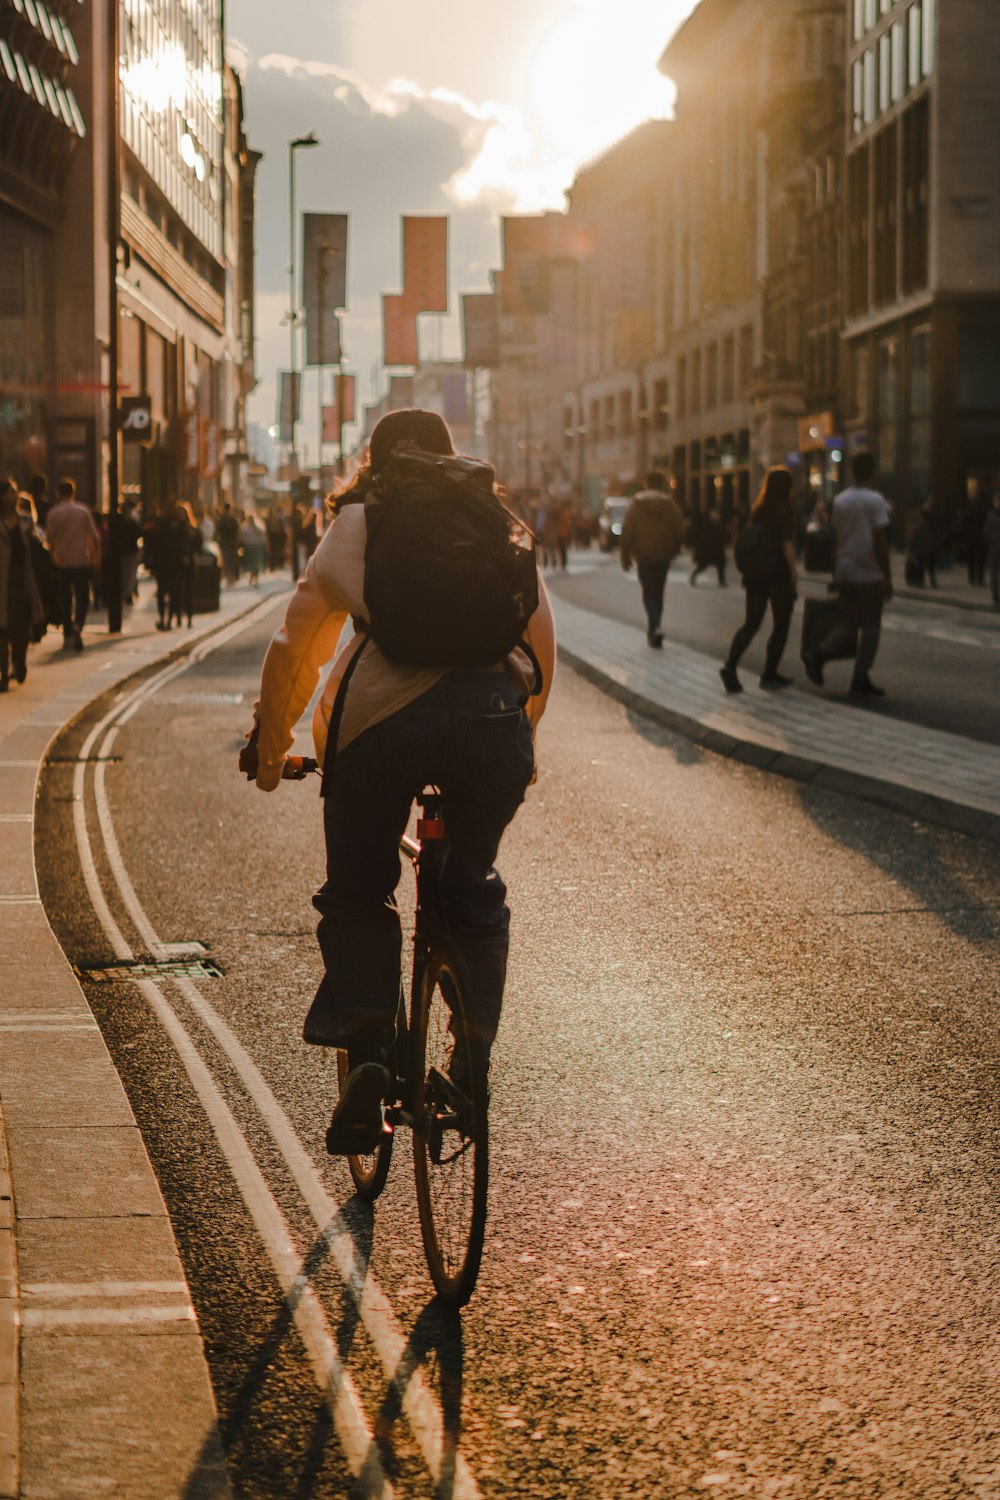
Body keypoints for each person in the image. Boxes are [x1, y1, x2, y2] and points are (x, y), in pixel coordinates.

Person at [244, 409, 555, 1151]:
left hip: (382, 726)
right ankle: (473, 1061)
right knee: (471, 884)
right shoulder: (491, 517)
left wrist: (269, 752)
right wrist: (522, 737)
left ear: (373, 463)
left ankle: (370, 1046)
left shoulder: (357, 521)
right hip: (491, 721)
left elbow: (300, 644)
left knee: (357, 890)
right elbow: (538, 641)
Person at [804, 451, 892, 698]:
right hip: (869, 572)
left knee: (850, 621)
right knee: (871, 626)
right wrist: (887, 576)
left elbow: (836, 540)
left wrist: (835, 573)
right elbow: (880, 540)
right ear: (873, 472)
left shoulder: (841, 501)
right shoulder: (875, 500)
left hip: (846, 569)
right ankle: (860, 676)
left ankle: (820, 652)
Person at [720, 466, 798, 693]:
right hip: (778, 573)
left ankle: (730, 665)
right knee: (780, 626)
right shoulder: (785, 511)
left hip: (756, 574)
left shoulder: (758, 509)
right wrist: (794, 572)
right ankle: (769, 672)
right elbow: (787, 544)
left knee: (751, 623)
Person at [620, 471, 685, 648]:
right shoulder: (669, 505)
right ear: (662, 485)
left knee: (648, 591)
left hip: (643, 554)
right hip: (663, 554)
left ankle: (654, 627)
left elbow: (628, 531)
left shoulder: (638, 504)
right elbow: (679, 528)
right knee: (659, 591)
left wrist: (625, 554)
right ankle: (655, 626)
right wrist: (675, 547)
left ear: (646, 484)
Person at [0, 483, 47, 690]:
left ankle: (19, 661)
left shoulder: (25, 523)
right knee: (1, 632)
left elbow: (40, 550)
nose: (15, 494)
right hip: (2, 585)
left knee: (21, 631)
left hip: (21, 583)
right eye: (10, 491)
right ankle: (3, 674)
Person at [44, 477, 100, 651]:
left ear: (58, 493)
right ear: (73, 492)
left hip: (61, 561)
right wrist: (95, 559)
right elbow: (95, 538)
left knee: (65, 599)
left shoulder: (53, 513)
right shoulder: (82, 511)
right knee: (83, 597)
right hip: (81, 561)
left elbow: (49, 539)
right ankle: (78, 626)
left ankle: (67, 631)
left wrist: (53, 558)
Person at [689, 506, 727, 586]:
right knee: (703, 565)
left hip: (715, 549)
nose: (717, 517)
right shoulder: (707, 525)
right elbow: (701, 537)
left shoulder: (716, 525)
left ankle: (722, 581)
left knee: (720, 565)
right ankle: (693, 577)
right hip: (708, 549)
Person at [908, 500, 939, 588]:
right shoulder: (933, 526)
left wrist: (911, 547)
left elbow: (913, 538)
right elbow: (936, 538)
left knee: (921, 567)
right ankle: (932, 581)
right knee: (931, 567)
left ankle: (921, 581)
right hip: (930, 550)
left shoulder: (918, 525)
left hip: (920, 551)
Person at [120, 498, 142, 605]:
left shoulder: (133, 521)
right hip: (123, 552)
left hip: (131, 551)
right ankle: (126, 593)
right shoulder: (121, 521)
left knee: (131, 573)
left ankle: (128, 593)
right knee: (126, 573)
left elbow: (139, 533)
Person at [215, 502, 240, 585]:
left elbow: (218, 531)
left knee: (228, 560)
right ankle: (229, 577)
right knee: (229, 560)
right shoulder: (231, 519)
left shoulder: (222, 519)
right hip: (229, 542)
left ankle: (229, 577)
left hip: (227, 542)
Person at [239, 511, 266, 587]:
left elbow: (242, 538)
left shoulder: (245, 529)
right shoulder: (259, 529)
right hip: (257, 547)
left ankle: (252, 577)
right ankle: (255, 578)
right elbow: (263, 539)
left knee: (251, 563)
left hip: (250, 547)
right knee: (256, 563)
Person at [985, 491, 1000, 608]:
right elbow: (987, 534)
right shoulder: (991, 516)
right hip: (995, 549)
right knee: (994, 574)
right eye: (997, 501)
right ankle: (995, 595)